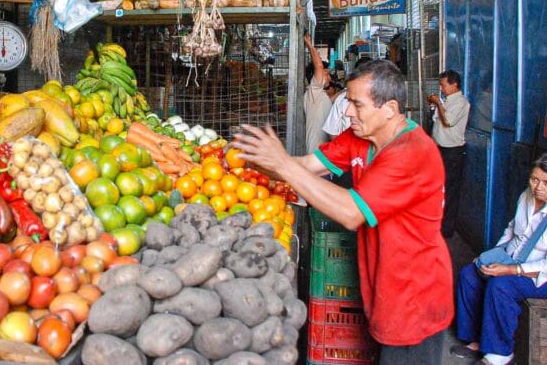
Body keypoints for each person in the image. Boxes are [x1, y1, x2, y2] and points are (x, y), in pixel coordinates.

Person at [233, 59, 453, 363]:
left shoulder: (411, 153)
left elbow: (351, 212)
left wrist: (281, 162)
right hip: (383, 283)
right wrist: (252, 160)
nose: (348, 111)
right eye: (348, 101)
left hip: (414, 296)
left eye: (357, 104)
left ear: (389, 108)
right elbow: (308, 166)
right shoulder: (360, 136)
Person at [452, 154, 547, 365]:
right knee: (470, 274)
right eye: (534, 179)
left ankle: (500, 353)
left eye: (546, 182)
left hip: (540, 274)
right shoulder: (526, 197)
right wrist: (492, 255)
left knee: (501, 285)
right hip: (513, 258)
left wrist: (511, 270)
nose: (538, 187)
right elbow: (512, 229)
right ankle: (476, 339)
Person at [428, 69, 470, 238]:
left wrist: (438, 103)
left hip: (452, 152)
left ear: (454, 85)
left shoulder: (461, 103)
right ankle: (437, 223)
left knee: (450, 190)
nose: (441, 88)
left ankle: (447, 230)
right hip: (439, 149)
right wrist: (436, 104)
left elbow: (448, 121)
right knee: (438, 188)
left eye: (443, 85)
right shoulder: (446, 101)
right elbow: (436, 121)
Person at [303, 33, 331, 153]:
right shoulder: (314, 89)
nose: (329, 77)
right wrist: (310, 45)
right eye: (326, 73)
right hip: (315, 153)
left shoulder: (320, 94)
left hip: (323, 153)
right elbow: (318, 66)